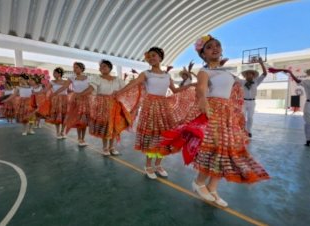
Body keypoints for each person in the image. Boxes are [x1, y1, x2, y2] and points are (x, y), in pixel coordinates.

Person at [173, 35, 269, 207]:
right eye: (209, 47)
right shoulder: (205, 71)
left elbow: (239, 88)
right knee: (215, 148)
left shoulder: (228, 73)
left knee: (227, 150)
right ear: (203, 54)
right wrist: (202, 100)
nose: (215, 48)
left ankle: (213, 187)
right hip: (213, 111)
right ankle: (199, 182)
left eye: (217, 45)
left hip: (228, 114)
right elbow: (201, 88)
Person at [116, 47, 195, 179]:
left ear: (160, 57)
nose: (152, 58)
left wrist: (192, 85)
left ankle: (158, 164)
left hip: (164, 107)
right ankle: (148, 165)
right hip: (150, 107)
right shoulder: (146, 74)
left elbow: (175, 91)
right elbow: (134, 83)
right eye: (149, 56)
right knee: (152, 137)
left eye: (154, 55)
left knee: (163, 136)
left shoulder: (167, 75)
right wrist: (120, 92)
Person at [82, 60, 130, 156]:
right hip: (102, 106)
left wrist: (119, 93)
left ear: (110, 68)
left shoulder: (118, 80)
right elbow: (91, 89)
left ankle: (112, 147)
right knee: (105, 126)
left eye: (104, 66)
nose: (102, 68)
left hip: (115, 106)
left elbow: (125, 90)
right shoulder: (97, 78)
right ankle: (105, 148)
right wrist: (80, 94)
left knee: (114, 127)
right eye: (101, 67)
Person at [281, 66, 310, 148]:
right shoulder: (308, 82)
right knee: (308, 123)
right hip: (309, 104)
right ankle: (308, 139)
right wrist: (290, 73)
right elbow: (298, 81)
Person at [59, 62, 91, 146]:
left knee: (84, 120)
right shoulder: (72, 78)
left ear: (82, 68)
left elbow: (91, 89)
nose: (74, 69)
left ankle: (82, 139)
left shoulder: (88, 78)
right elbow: (64, 87)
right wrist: (55, 93)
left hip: (85, 100)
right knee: (78, 119)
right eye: (74, 67)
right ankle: (79, 138)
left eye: (76, 67)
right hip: (76, 100)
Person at [239, 57, 267, 137]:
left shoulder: (256, 82)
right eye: (247, 74)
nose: (249, 75)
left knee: (250, 117)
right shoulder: (242, 82)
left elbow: (264, 74)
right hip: (243, 102)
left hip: (252, 102)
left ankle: (248, 131)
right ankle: (242, 130)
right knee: (243, 117)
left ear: (253, 75)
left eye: (251, 73)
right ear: (245, 76)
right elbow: (234, 78)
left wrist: (261, 63)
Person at [45, 67, 69, 139]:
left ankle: (62, 132)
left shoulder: (66, 82)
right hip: (56, 100)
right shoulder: (52, 82)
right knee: (57, 115)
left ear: (60, 74)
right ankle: (57, 132)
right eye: (53, 73)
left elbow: (70, 90)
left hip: (65, 100)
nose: (53, 74)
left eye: (55, 73)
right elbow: (46, 90)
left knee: (64, 116)